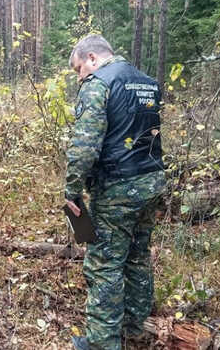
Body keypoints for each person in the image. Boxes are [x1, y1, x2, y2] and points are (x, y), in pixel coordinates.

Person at [65, 35, 166, 350]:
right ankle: (134, 327)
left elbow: (84, 147)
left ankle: (100, 344)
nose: (80, 76)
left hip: (117, 189)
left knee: (104, 264)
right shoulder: (147, 82)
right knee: (137, 255)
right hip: (151, 182)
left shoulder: (98, 84)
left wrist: (71, 190)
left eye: (79, 69)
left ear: (92, 58)